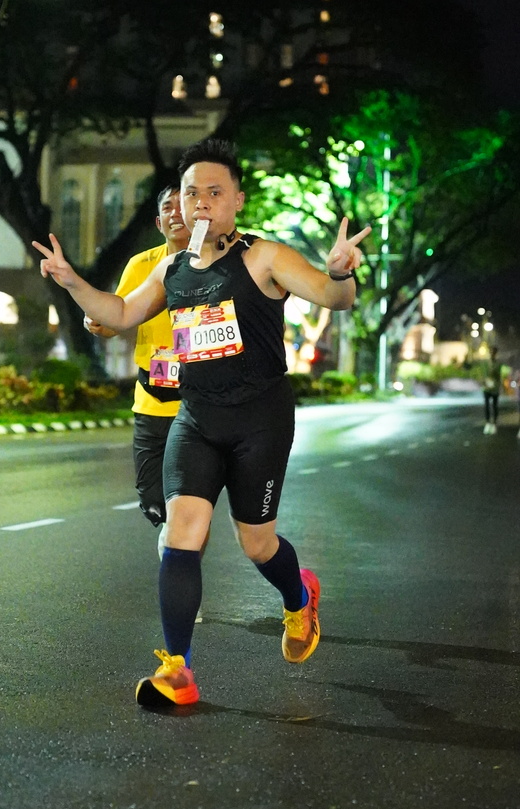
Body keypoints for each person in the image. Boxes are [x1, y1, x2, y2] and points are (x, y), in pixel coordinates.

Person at [32, 138, 370, 709]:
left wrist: (340, 274)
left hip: (260, 420)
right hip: (197, 419)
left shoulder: (264, 257)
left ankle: (298, 595)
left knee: (256, 543)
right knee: (180, 534)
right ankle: (178, 671)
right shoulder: (172, 268)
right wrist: (70, 281)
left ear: (238, 200)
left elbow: (333, 298)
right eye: (192, 194)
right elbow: (118, 313)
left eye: (215, 192)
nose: (202, 203)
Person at [84, 184, 189, 535]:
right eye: (168, 207)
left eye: (183, 204)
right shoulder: (141, 264)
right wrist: (98, 322)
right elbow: (118, 317)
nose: (176, 213)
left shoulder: (219, 263)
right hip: (152, 398)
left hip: (201, 402)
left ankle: (181, 556)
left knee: (189, 503)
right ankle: (178, 547)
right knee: (154, 502)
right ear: (159, 223)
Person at [481, 346, 502, 435]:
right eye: (491, 352)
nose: (492, 354)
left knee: (494, 406)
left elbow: (499, 376)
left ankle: (494, 423)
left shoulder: (498, 364)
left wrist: (498, 385)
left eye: (493, 352)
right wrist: (483, 381)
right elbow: (483, 374)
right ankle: (487, 422)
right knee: (486, 405)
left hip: (495, 387)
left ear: (495, 353)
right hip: (486, 387)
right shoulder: (485, 364)